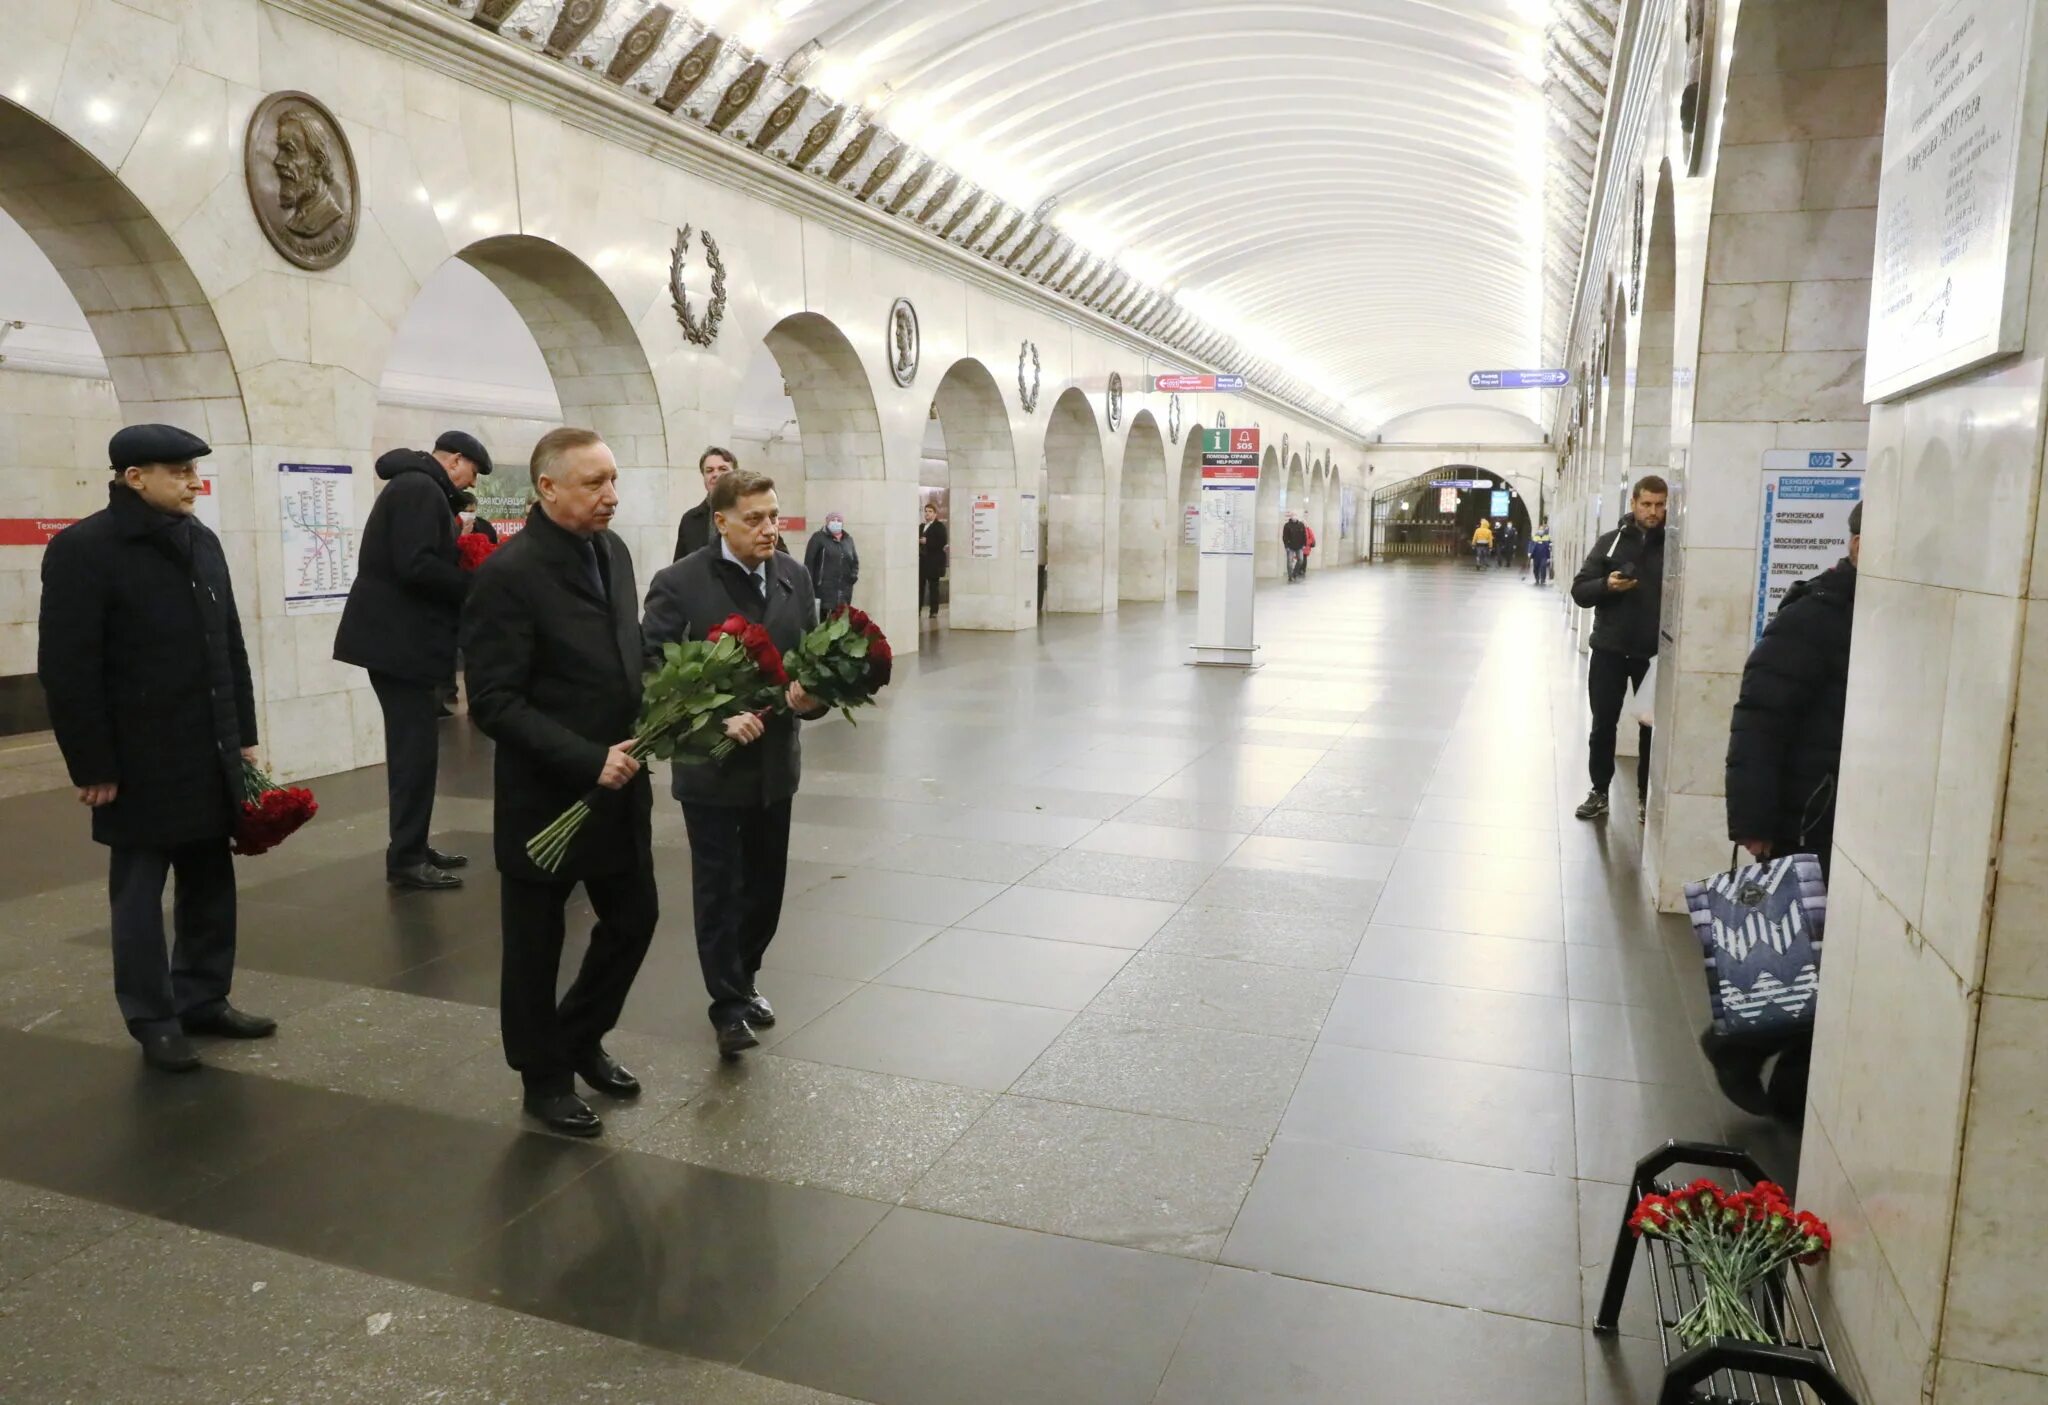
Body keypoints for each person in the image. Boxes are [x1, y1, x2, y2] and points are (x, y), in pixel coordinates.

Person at [38, 425, 273, 1072]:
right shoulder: (83, 549)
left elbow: (229, 646)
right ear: (133, 476)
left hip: (207, 747)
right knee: (139, 891)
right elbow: (68, 667)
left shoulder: (202, 541)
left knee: (209, 878)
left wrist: (245, 736)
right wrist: (91, 763)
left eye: (194, 470)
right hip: (136, 757)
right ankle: (152, 1016)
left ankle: (203, 995)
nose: (194, 481)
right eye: (178, 471)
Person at [460, 427, 655, 1138]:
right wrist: (584, 757)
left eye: (612, 479)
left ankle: (577, 1035)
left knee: (636, 920)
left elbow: (624, 650)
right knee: (535, 946)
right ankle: (542, 1078)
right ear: (547, 488)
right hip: (549, 796)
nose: (610, 495)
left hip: (622, 785)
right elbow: (494, 701)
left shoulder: (616, 551)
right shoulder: (509, 575)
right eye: (593, 482)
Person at [643, 469, 827, 1058]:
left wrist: (813, 695)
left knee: (765, 888)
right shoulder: (679, 583)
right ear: (720, 521)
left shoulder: (795, 578)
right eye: (754, 519)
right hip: (711, 769)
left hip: (776, 765)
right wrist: (712, 717)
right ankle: (726, 1003)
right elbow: (650, 675)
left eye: (773, 516)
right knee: (719, 888)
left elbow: (812, 662)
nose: (769, 528)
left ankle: (746, 978)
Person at [334, 431, 490, 890]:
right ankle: (405, 857)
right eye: (472, 473)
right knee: (412, 753)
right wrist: (475, 585)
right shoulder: (419, 488)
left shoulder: (414, 486)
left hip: (398, 642)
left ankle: (414, 845)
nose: (470, 483)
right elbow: (416, 564)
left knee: (417, 751)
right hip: (398, 643)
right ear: (456, 460)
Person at [1726, 501, 1860, 877]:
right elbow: (1759, 719)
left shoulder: (1887, 618)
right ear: (1859, 546)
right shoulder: (1813, 617)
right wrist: (1754, 823)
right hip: (1808, 816)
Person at [1570, 476, 1667, 821]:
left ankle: (1645, 796)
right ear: (1633, 504)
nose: (1653, 512)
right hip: (1609, 650)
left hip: (1651, 655)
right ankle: (1599, 791)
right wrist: (1607, 586)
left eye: (1659, 504)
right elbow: (1580, 591)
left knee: (1650, 728)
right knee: (1603, 723)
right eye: (1646, 504)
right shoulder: (1610, 544)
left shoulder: (1673, 547)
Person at [673, 446, 737, 562]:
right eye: (709, 470)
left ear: (735, 474)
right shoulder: (690, 520)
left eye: (723, 469)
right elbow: (678, 568)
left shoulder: (752, 513)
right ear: (704, 476)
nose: (715, 474)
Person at [804, 511, 860, 614]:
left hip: (844, 594)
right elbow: (809, 562)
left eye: (839, 520)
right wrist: (810, 586)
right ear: (827, 522)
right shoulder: (818, 537)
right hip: (823, 594)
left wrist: (852, 577)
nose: (836, 522)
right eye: (833, 520)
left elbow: (855, 562)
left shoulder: (848, 540)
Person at [918, 501, 948, 618]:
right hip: (922, 561)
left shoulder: (939, 527)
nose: (927, 514)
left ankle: (934, 611)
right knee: (920, 586)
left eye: (930, 512)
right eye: (926, 511)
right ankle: (918, 609)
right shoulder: (921, 527)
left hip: (934, 562)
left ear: (935, 514)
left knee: (933, 587)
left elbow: (942, 542)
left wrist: (927, 542)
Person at [1282, 512, 1308, 581]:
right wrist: (1286, 546)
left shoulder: (1301, 525)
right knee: (1289, 562)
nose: (1294, 517)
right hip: (1290, 546)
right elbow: (1284, 537)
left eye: (1295, 515)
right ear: (1290, 517)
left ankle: (1294, 573)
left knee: (1301, 560)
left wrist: (1304, 544)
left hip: (1299, 546)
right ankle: (1290, 576)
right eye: (1292, 516)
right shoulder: (1287, 525)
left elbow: (1304, 535)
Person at [1530, 521, 1553, 585]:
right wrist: (1529, 552)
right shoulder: (1535, 537)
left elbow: (1549, 545)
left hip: (1544, 555)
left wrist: (1550, 545)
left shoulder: (1547, 537)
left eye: (1542, 529)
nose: (1541, 530)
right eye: (1540, 529)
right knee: (1536, 568)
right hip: (1536, 556)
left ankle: (1543, 579)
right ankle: (1537, 578)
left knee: (1543, 567)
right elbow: (1531, 545)